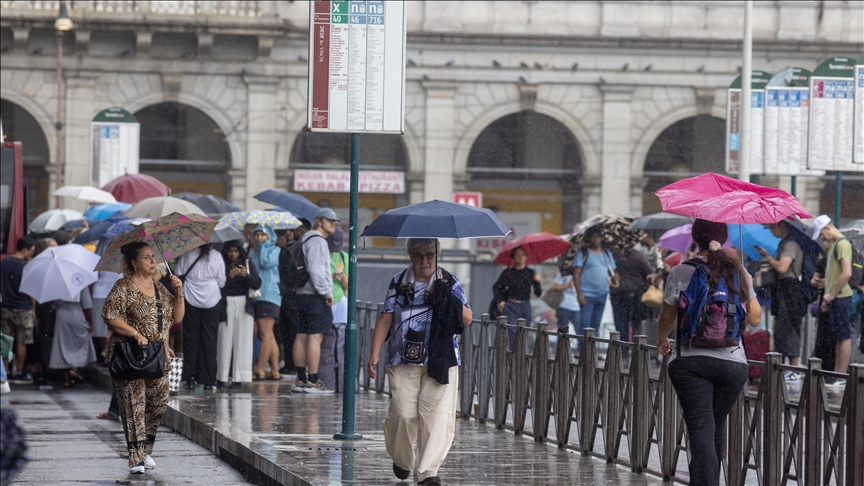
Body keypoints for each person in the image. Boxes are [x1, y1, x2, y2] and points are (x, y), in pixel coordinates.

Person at [656, 219, 761, 486]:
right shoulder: (740, 272)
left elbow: (667, 317)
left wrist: (662, 339)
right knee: (715, 425)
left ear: (696, 239)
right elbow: (757, 319)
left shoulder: (681, 271)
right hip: (733, 365)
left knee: (701, 426)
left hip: (691, 362)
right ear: (724, 238)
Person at [367, 238, 472, 485]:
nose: (424, 260)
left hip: (440, 359)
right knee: (403, 414)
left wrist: (446, 297)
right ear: (410, 257)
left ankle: (427, 472)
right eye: (418, 255)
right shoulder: (398, 282)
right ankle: (402, 459)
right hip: (402, 358)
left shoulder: (449, 281)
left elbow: (467, 318)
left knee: (435, 417)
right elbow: (386, 318)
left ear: (436, 256)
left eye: (429, 255)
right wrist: (374, 352)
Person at [103, 241, 184, 474]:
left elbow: (175, 318)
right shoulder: (123, 286)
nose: (152, 261)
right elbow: (110, 317)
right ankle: (136, 457)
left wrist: (179, 293)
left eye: (153, 257)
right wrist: (135, 333)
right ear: (133, 262)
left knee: (158, 402)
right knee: (133, 405)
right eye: (147, 257)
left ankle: (146, 449)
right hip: (128, 354)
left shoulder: (160, 288)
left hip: (156, 355)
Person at [293, 208, 338, 393]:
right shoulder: (318, 241)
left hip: (300, 294)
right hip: (315, 295)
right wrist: (327, 292)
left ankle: (301, 379)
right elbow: (317, 270)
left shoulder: (305, 239)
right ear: (319, 221)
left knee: (301, 336)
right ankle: (313, 379)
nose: (334, 224)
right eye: (330, 220)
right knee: (315, 337)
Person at [756, 220, 806, 377]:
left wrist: (768, 258)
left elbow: (782, 267)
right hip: (782, 290)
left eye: (772, 226)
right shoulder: (783, 244)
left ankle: (794, 369)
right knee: (781, 330)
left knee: (790, 328)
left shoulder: (791, 244)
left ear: (783, 226)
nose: (771, 230)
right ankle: (784, 367)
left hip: (790, 290)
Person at [176, 243, 226, 390]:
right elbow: (222, 282)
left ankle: (190, 377)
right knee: (210, 339)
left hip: (190, 298)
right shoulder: (216, 256)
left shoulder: (187, 254)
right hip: (212, 299)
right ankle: (209, 379)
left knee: (191, 338)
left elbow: (179, 273)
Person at [812, 215, 854, 388]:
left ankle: (840, 375)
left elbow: (847, 272)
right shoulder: (835, 246)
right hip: (835, 297)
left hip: (841, 296)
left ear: (827, 228)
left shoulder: (842, 244)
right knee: (838, 336)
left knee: (843, 336)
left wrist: (831, 294)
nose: (822, 238)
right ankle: (837, 373)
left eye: (822, 234)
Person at [217, 241, 260, 387]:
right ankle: (222, 376)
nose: (233, 254)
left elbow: (257, 283)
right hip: (226, 304)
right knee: (224, 340)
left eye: (235, 251)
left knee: (243, 341)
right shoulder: (221, 263)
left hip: (244, 304)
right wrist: (229, 276)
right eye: (230, 251)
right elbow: (219, 285)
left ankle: (239, 377)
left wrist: (245, 275)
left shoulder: (247, 263)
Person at [572, 228, 619, 351]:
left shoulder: (607, 254)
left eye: (597, 236)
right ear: (588, 239)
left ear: (601, 238)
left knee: (596, 325)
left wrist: (615, 277)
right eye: (592, 236)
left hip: (602, 294)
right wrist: (579, 294)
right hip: (586, 295)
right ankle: (582, 350)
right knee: (585, 325)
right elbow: (576, 274)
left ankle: (592, 351)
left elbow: (612, 272)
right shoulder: (583, 254)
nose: (595, 239)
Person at [0, 236, 36, 383]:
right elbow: (31, 290)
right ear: (25, 249)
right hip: (24, 307)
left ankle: (6, 371)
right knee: (22, 341)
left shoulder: (3, 262)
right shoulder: (27, 266)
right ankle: (19, 372)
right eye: (31, 251)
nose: (32, 254)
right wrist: (33, 309)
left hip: (7, 307)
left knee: (6, 341)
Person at [48, 283, 97, 388]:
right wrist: (91, 322)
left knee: (63, 345)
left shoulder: (58, 283)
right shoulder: (81, 282)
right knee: (79, 343)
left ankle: (66, 380)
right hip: (77, 314)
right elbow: (87, 305)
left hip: (62, 316)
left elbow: (54, 304)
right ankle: (74, 369)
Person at [249, 225, 282, 380]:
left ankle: (260, 369)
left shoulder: (275, 250)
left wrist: (263, 247)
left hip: (269, 295)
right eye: (257, 235)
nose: (260, 238)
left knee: (265, 333)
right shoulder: (253, 251)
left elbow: (265, 263)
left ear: (270, 236)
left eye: (263, 235)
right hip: (258, 295)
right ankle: (274, 370)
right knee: (269, 335)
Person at [493, 246, 541, 348]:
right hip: (511, 305)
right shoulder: (508, 272)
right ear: (513, 258)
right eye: (517, 255)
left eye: (523, 255)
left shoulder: (530, 273)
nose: (520, 257)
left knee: (524, 333)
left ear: (526, 257)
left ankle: (522, 359)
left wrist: (537, 282)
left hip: (525, 306)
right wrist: (500, 301)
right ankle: (512, 358)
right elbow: (496, 287)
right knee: (512, 332)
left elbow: (538, 293)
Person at [319, 226, 348, 392]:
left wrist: (342, 276)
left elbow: (348, 286)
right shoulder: (320, 256)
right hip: (324, 304)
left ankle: (343, 385)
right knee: (326, 348)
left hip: (340, 305)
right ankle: (327, 383)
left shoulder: (344, 258)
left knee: (342, 347)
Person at [609, 248, 651, 357]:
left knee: (621, 323)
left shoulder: (612, 256)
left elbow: (607, 272)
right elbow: (648, 271)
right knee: (636, 322)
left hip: (617, 292)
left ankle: (623, 350)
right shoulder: (637, 255)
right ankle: (636, 348)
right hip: (635, 292)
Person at [550, 267, 580, 354]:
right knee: (562, 329)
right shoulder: (564, 273)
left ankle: (580, 351)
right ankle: (561, 351)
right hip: (564, 305)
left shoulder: (584, 274)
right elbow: (554, 286)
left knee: (579, 330)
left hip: (577, 307)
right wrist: (567, 285)